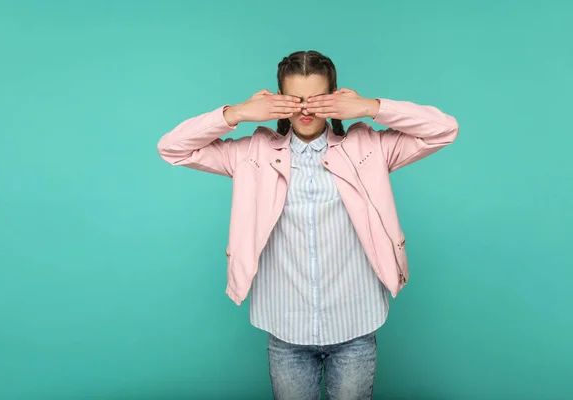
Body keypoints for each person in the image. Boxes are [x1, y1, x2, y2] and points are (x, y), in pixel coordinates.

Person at [157, 50, 459, 400]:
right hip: (286, 331)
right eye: (295, 100)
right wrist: (235, 113)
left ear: (334, 98)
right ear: (278, 101)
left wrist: (370, 107)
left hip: (355, 326)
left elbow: (444, 130)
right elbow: (172, 149)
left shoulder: (368, 148)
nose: (305, 109)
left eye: (316, 99)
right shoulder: (250, 155)